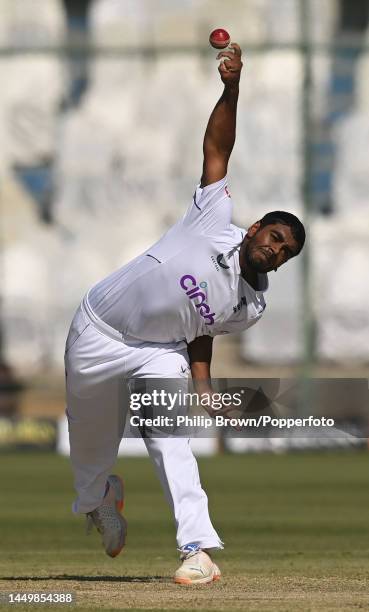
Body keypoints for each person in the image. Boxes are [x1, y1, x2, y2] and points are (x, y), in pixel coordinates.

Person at [64, 42, 305, 585]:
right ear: (254, 229)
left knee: (173, 439)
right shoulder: (212, 215)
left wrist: (200, 385)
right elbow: (217, 146)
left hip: (160, 353)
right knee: (89, 452)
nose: (276, 250)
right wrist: (232, 88)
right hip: (98, 329)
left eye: (285, 251)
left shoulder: (252, 306)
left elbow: (201, 332)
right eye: (274, 237)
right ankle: (100, 497)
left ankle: (197, 547)